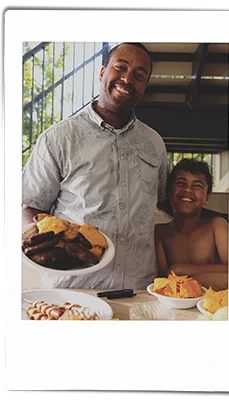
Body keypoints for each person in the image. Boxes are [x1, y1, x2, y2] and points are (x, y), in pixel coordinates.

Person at [22, 42, 169, 290]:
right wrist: (35, 240)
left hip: (138, 288)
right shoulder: (59, 137)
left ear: (144, 87)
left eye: (139, 75)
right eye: (120, 67)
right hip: (74, 288)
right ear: (102, 73)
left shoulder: (154, 143)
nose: (127, 78)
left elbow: (165, 204)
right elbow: (30, 205)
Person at [154, 158, 228, 291]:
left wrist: (182, 270)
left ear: (206, 198)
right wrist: (206, 278)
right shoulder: (160, 233)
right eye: (181, 183)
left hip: (216, 306)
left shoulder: (217, 226)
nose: (188, 189)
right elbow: (165, 283)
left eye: (197, 185)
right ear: (169, 192)